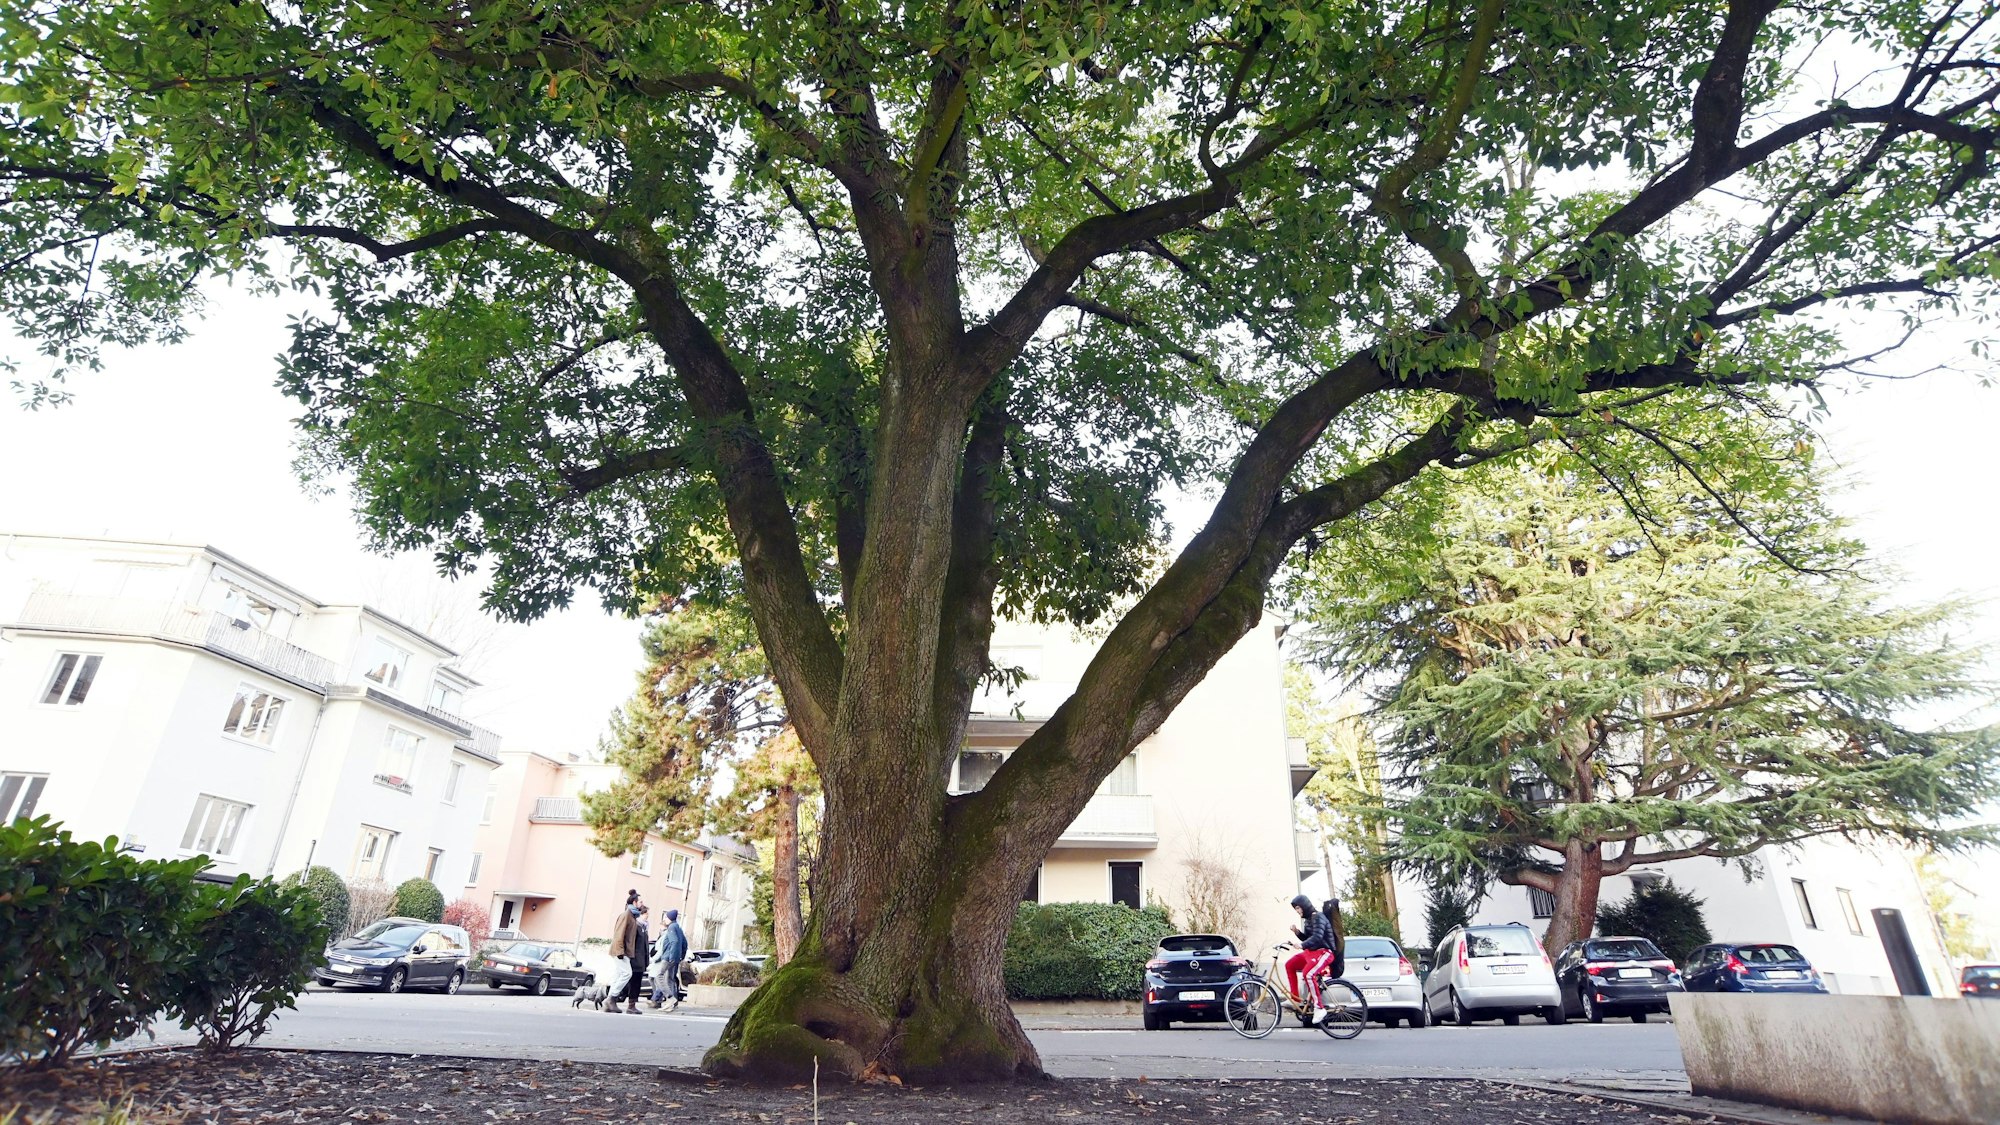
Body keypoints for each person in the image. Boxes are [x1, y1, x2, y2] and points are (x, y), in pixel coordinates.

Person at [1285, 894, 1334, 1012]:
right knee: (1289, 965)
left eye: (1298, 908)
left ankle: (1319, 1008)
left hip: (1324, 952)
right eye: (1295, 909)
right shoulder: (1308, 920)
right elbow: (1308, 938)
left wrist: (1302, 945)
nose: (1297, 911)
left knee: (1308, 974)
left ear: (1304, 906)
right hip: (1312, 952)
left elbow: (1318, 937)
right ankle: (1295, 999)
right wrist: (1297, 932)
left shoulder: (1318, 917)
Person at [609, 899, 646, 1014]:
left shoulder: (632, 916)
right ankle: (611, 998)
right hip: (622, 952)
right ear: (634, 902)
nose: (642, 904)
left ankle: (609, 1000)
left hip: (625, 952)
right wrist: (620, 951)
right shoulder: (627, 915)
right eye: (640, 901)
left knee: (618, 975)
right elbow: (619, 934)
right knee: (627, 973)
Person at [650, 908, 688, 1009]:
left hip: (668, 957)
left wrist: (671, 956)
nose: (665, 919)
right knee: (670, 979)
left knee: (659, 976)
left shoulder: (671, 927)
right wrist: (681, 956)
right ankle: (672, 1003)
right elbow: (685, 943)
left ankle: (670, 998)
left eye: (666, 917)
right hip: (675, 958)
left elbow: (674, 942)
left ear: (670, 918)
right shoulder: (678, 928)